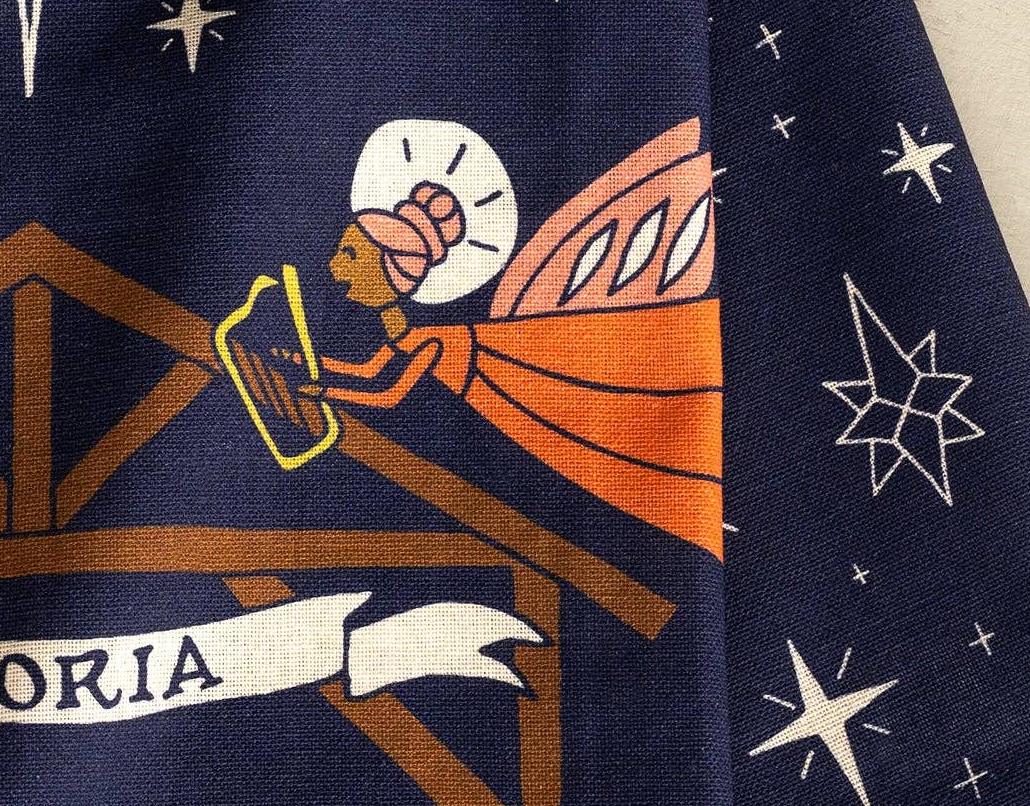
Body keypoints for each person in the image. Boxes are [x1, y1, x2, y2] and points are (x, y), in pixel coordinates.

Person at [304, 120, 725, 555]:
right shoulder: (407, 336)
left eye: (349, 255)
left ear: (394, 271)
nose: (335, 267)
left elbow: (389, 393)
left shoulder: (432, 343)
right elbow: (370, 371)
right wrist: (307, 365)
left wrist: (325, 390)